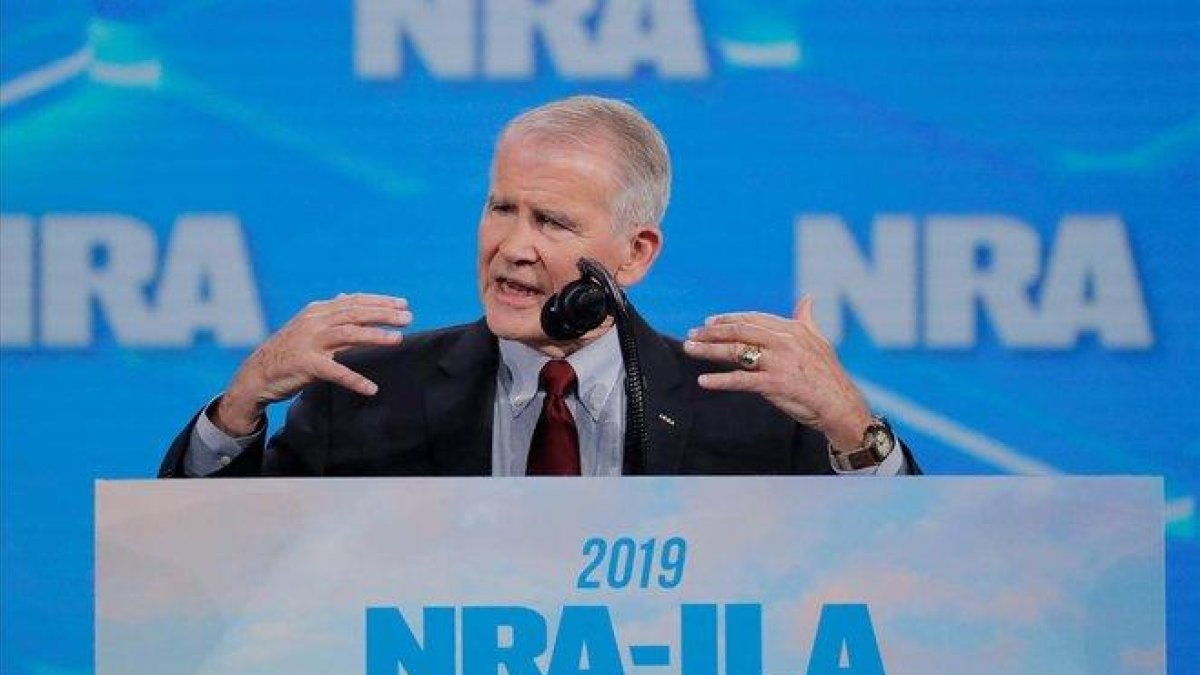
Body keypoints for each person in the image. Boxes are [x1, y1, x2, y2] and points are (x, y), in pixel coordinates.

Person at [160, 95, 917, 478]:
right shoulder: (362, 395)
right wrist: (239, 407)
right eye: (501, 208)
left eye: (552, 221)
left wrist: (853, 429)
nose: (512, 247)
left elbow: (914, 577)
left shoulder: (748, 411)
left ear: (635, 254)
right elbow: (215, 582)